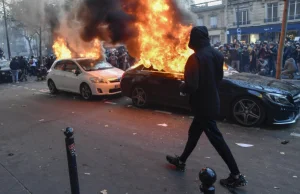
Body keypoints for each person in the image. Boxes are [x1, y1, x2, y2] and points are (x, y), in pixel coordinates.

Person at [166, 26, 247, 188]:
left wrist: (183, 86)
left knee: (217, 140)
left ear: (194, 39)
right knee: (194, 133)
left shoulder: (195, 58)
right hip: (212, 101)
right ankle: (181, 160)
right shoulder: (217, 54)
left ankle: (236, 175)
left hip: (202, 105)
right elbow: (219, 78)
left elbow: (192, 86)